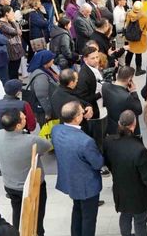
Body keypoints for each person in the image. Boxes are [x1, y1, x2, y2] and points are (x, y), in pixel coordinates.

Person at [104, 110, 147, 236]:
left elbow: (108, 162)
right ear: (134, 125)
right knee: (140, 222)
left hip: (120, 190)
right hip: (138, 195)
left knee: (125, 216)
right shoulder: (139, 149)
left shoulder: (109, 141)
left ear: (119, 123)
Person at [0, 109, 50, 234]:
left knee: (17, 213)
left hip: (10, 185)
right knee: (36, 219)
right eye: (23, 118)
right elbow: (47, 146)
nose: (26, 118)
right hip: (31, 187)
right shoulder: (31, 141)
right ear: (18, 125)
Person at [52, 101, 103, 236]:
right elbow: (97, 163)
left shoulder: (56, 130)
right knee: (89, 219)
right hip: (87, 185)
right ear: (76, 118)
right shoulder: (85, 142)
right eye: (82, 112)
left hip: (71, 180)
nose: (84, 113)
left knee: (77, 210)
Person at [102, 66, 143, 136]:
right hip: (124, 129)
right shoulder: (127, 97)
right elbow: (139, 110)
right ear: (130, 80)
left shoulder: (105, 86)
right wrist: (133, 91)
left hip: (111, 125)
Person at [27, 50, 59, 126]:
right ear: (46, 61)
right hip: (44, 111)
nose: (53, 60)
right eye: (51, 59)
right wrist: (48, 112)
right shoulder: (40, 76)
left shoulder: (46, 69)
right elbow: (42, 96)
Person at [124, 1, 147, 75]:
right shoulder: (144, 16)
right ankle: (138, 70)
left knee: (130, 52)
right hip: (140, 38)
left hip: (130, 37)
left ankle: (126, 68)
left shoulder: (129, 14)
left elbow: (126, 25)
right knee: (138, 54)